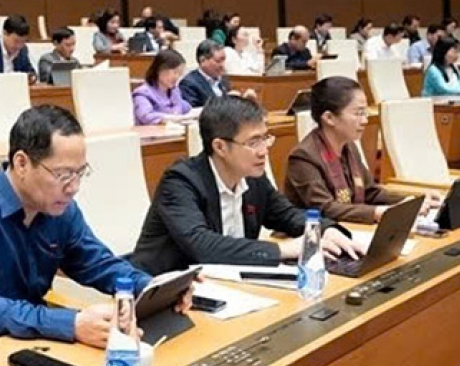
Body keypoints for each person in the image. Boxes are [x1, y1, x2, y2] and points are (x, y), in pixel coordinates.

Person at [0, 106, 192, 355]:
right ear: (21, 164)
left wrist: (156, 289)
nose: (73, 187)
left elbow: (99, 264)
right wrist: (70, 323)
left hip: (31, 343)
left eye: (80, 173)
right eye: (63, 174)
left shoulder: (61, 211)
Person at [131, 96, 363, 276]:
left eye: (265, 138)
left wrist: (326, 229)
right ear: (220, 147)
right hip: (167, 295)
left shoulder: (252, 177)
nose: (264, 151)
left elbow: (288, 215)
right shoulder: (181, 182)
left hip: (227, 285)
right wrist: (287, 249)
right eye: (253, 142)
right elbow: (202, 246)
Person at [284, 77, 439, 223]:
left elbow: (371, 192)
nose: (365, 121)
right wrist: (378, 213)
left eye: (364, 112)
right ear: (329, 118)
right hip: (319, 237)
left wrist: (414, 199)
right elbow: (325, 208)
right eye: (358, 113)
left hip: (350, 227)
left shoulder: (348, 146)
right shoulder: (303, 157)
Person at [180, 39, 255, 107]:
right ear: (203, 60)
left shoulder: (223, 79)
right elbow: (191, 112)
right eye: (218, 61)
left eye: (224, 60)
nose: (222, 65)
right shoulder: (189, 83)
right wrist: (224, 101)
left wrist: (244, 101)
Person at [132, 49, 193, 125]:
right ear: (159, 69)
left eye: (180, 73)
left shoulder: (174, 91)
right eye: (175, 72)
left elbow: (185, 108)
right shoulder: (142, 93)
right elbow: (146, 116)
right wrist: (170, 118)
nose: (177, 77)